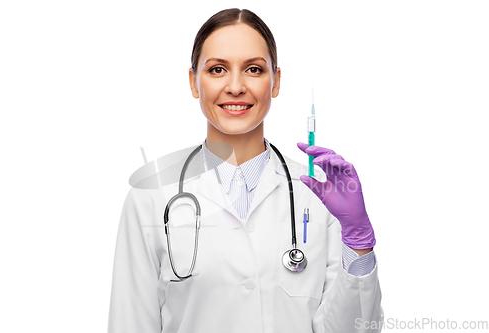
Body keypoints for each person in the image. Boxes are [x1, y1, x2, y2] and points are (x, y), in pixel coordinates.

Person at [108, 8, 382, 333]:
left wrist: (358, 242)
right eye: (217, 69)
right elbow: (130, 322)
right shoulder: (150, 198)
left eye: (253, 69)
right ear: (194, 82)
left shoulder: (320, 197)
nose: (236, 86)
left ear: (276, 81)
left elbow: (354, 330)